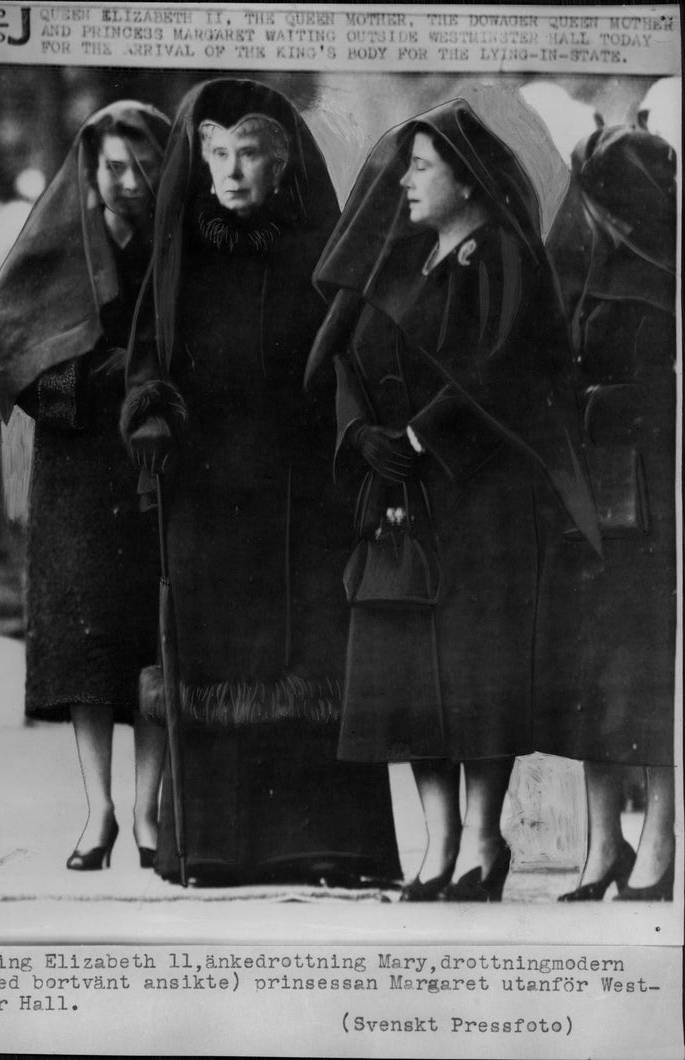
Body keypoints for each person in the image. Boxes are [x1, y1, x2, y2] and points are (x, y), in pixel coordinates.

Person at [306, 98, 601, 902]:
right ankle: (434, 846)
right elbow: (346, 361)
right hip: (397, 498)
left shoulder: (502, 254)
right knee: (405, 674)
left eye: (423, 167)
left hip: (482, 499)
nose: (405, 181)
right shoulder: (396, 263)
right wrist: (361, 433)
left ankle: (480, 842)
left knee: (478, 671)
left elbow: (508, 365)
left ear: (469, 182)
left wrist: (420, 440)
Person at [121, 78, 401, 887]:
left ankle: (327, 842)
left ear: (281, 164)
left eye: (249, 154)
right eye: (216, 154)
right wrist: (151, 414)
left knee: (312, 646)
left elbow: (361, 358)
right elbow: (147, 357)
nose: (232, 171)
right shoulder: (181, 255)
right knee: (215, 650)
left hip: (305, 483)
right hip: (208, 487)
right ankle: (212, 846)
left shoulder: (323, 249)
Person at [0, 101, 171, 871]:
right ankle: (99, 812)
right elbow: (5, 355)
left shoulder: (175, 249)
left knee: (153, 640)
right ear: (90, 170)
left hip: (154, 467)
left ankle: (148, 815)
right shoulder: (56, 250)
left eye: (144, 165)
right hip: (79, 468)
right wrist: (95, 384)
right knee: (86, 645)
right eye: (114, 166)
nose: (129, 180)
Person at [537, 127, 677, 901]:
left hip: (654, 503)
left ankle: (658, 839)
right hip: (593, 497)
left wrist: (595, 400)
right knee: (593, 669)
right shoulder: (579, 269)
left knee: (647, 673)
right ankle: (603, 848)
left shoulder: (667, 280)